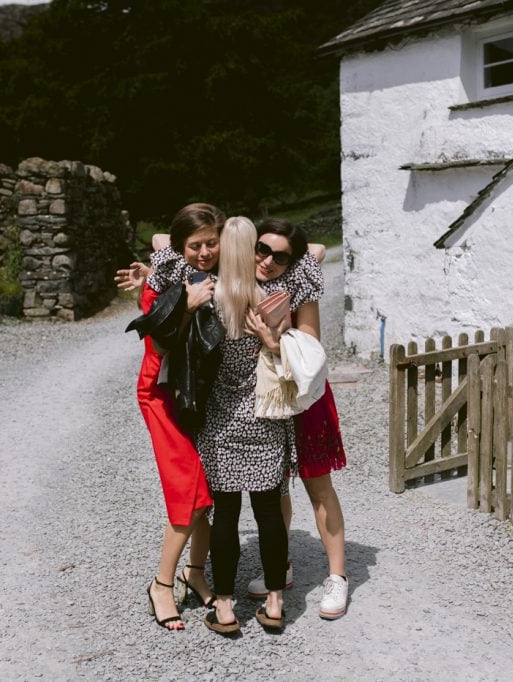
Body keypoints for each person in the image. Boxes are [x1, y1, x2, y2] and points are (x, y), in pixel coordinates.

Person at [193, 216, 315, 635]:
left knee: (225, 514)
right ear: (252, 252)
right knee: (268, 514)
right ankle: (276, 603)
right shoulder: (272, 299)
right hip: (265, 416)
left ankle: (225, 608)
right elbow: (313, 255)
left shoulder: (209, 297)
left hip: (222, 420)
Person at [120, 202, 224, 631]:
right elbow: (160, 347)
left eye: (211, 243)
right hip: (160, 393)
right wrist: (186, 304)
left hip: (196, 395)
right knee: (189, 488)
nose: (204, 252)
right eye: (195, 245)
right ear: (182, 246)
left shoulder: (216, 276)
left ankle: (195, 572)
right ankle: (162, 584)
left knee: (210, 487)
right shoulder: (165, 280)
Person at [246, 217, 349, 620]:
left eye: (280, 256)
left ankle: (338, 577)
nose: (268, 261)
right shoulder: (237, 272)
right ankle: (281, 565)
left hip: (301, 396)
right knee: (275, 485)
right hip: (265, 398)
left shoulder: (299, 283)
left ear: (293, 261)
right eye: (262, 249)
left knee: (317, 486)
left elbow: (311, 345)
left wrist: (273, 342)